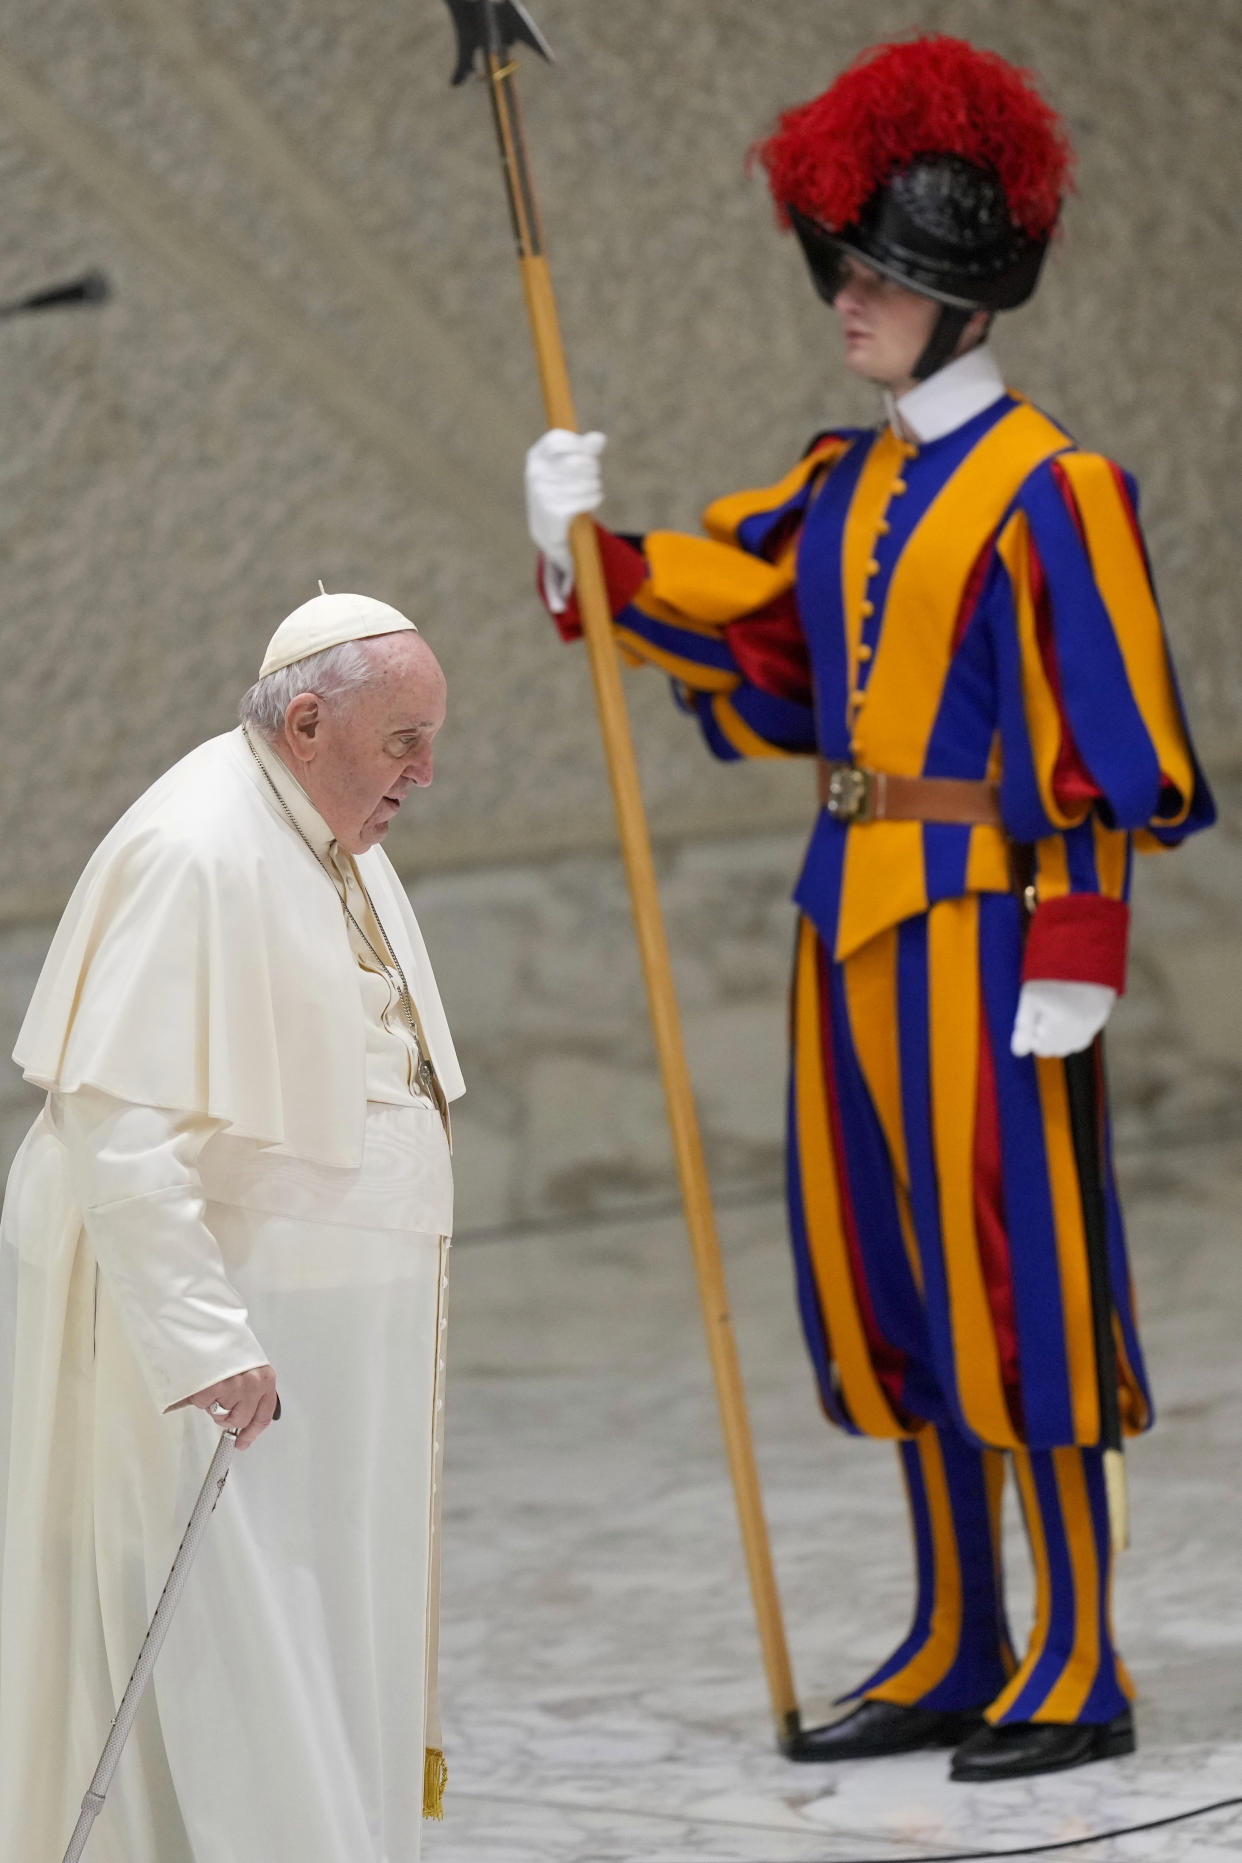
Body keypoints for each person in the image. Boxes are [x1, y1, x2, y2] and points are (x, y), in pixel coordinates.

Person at [524, 36, 1214, 1782]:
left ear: (966, 299)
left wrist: (1077, 943)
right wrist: (580, 550)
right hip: (853, 927)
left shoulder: (1056, 491)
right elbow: (740, 615)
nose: (847, 294)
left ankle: (1073, 1653)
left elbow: (1103, 737)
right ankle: (954, 1631)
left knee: (1019, 1283)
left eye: (882, 272)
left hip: (987, 932)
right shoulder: (845, 487)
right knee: (890, 1281)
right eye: (843, 261)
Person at [0, 591, 463, 1859]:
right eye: (402, 743)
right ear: (308, 721)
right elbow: (118, 1123)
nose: (423, 774)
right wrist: (205, 1342)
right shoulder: (200, 848)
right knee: (234, 1643)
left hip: (314, 1329)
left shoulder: (318, 829)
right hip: (225, 1343)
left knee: (313, 1630)